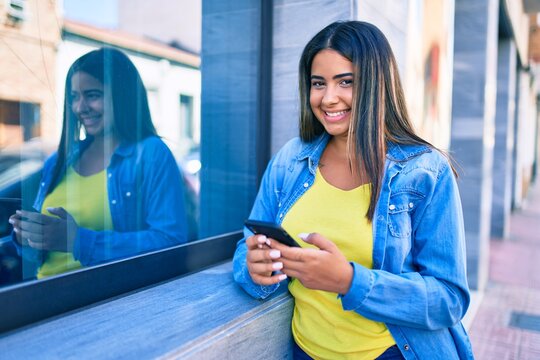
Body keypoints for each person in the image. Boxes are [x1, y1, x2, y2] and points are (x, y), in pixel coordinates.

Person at [233, 21, 473, 360]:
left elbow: (449, 299)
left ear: (377, 84)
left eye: (346, 82)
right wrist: (254, 267)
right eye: (319, 83)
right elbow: (249, 244)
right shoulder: (291, 160)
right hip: (305, 351)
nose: (328, 98)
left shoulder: (425, 171)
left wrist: (349, 281)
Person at [8, 47, 188, 279]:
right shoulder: (58, 160)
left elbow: (171, 242)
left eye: (92, 95)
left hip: (105, 303)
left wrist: (79, 241)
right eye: (74, 97)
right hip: (46, 299)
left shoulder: (151, 154)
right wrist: (28, 236)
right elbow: (38, 256)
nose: (80, 107)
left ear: (122, 97)